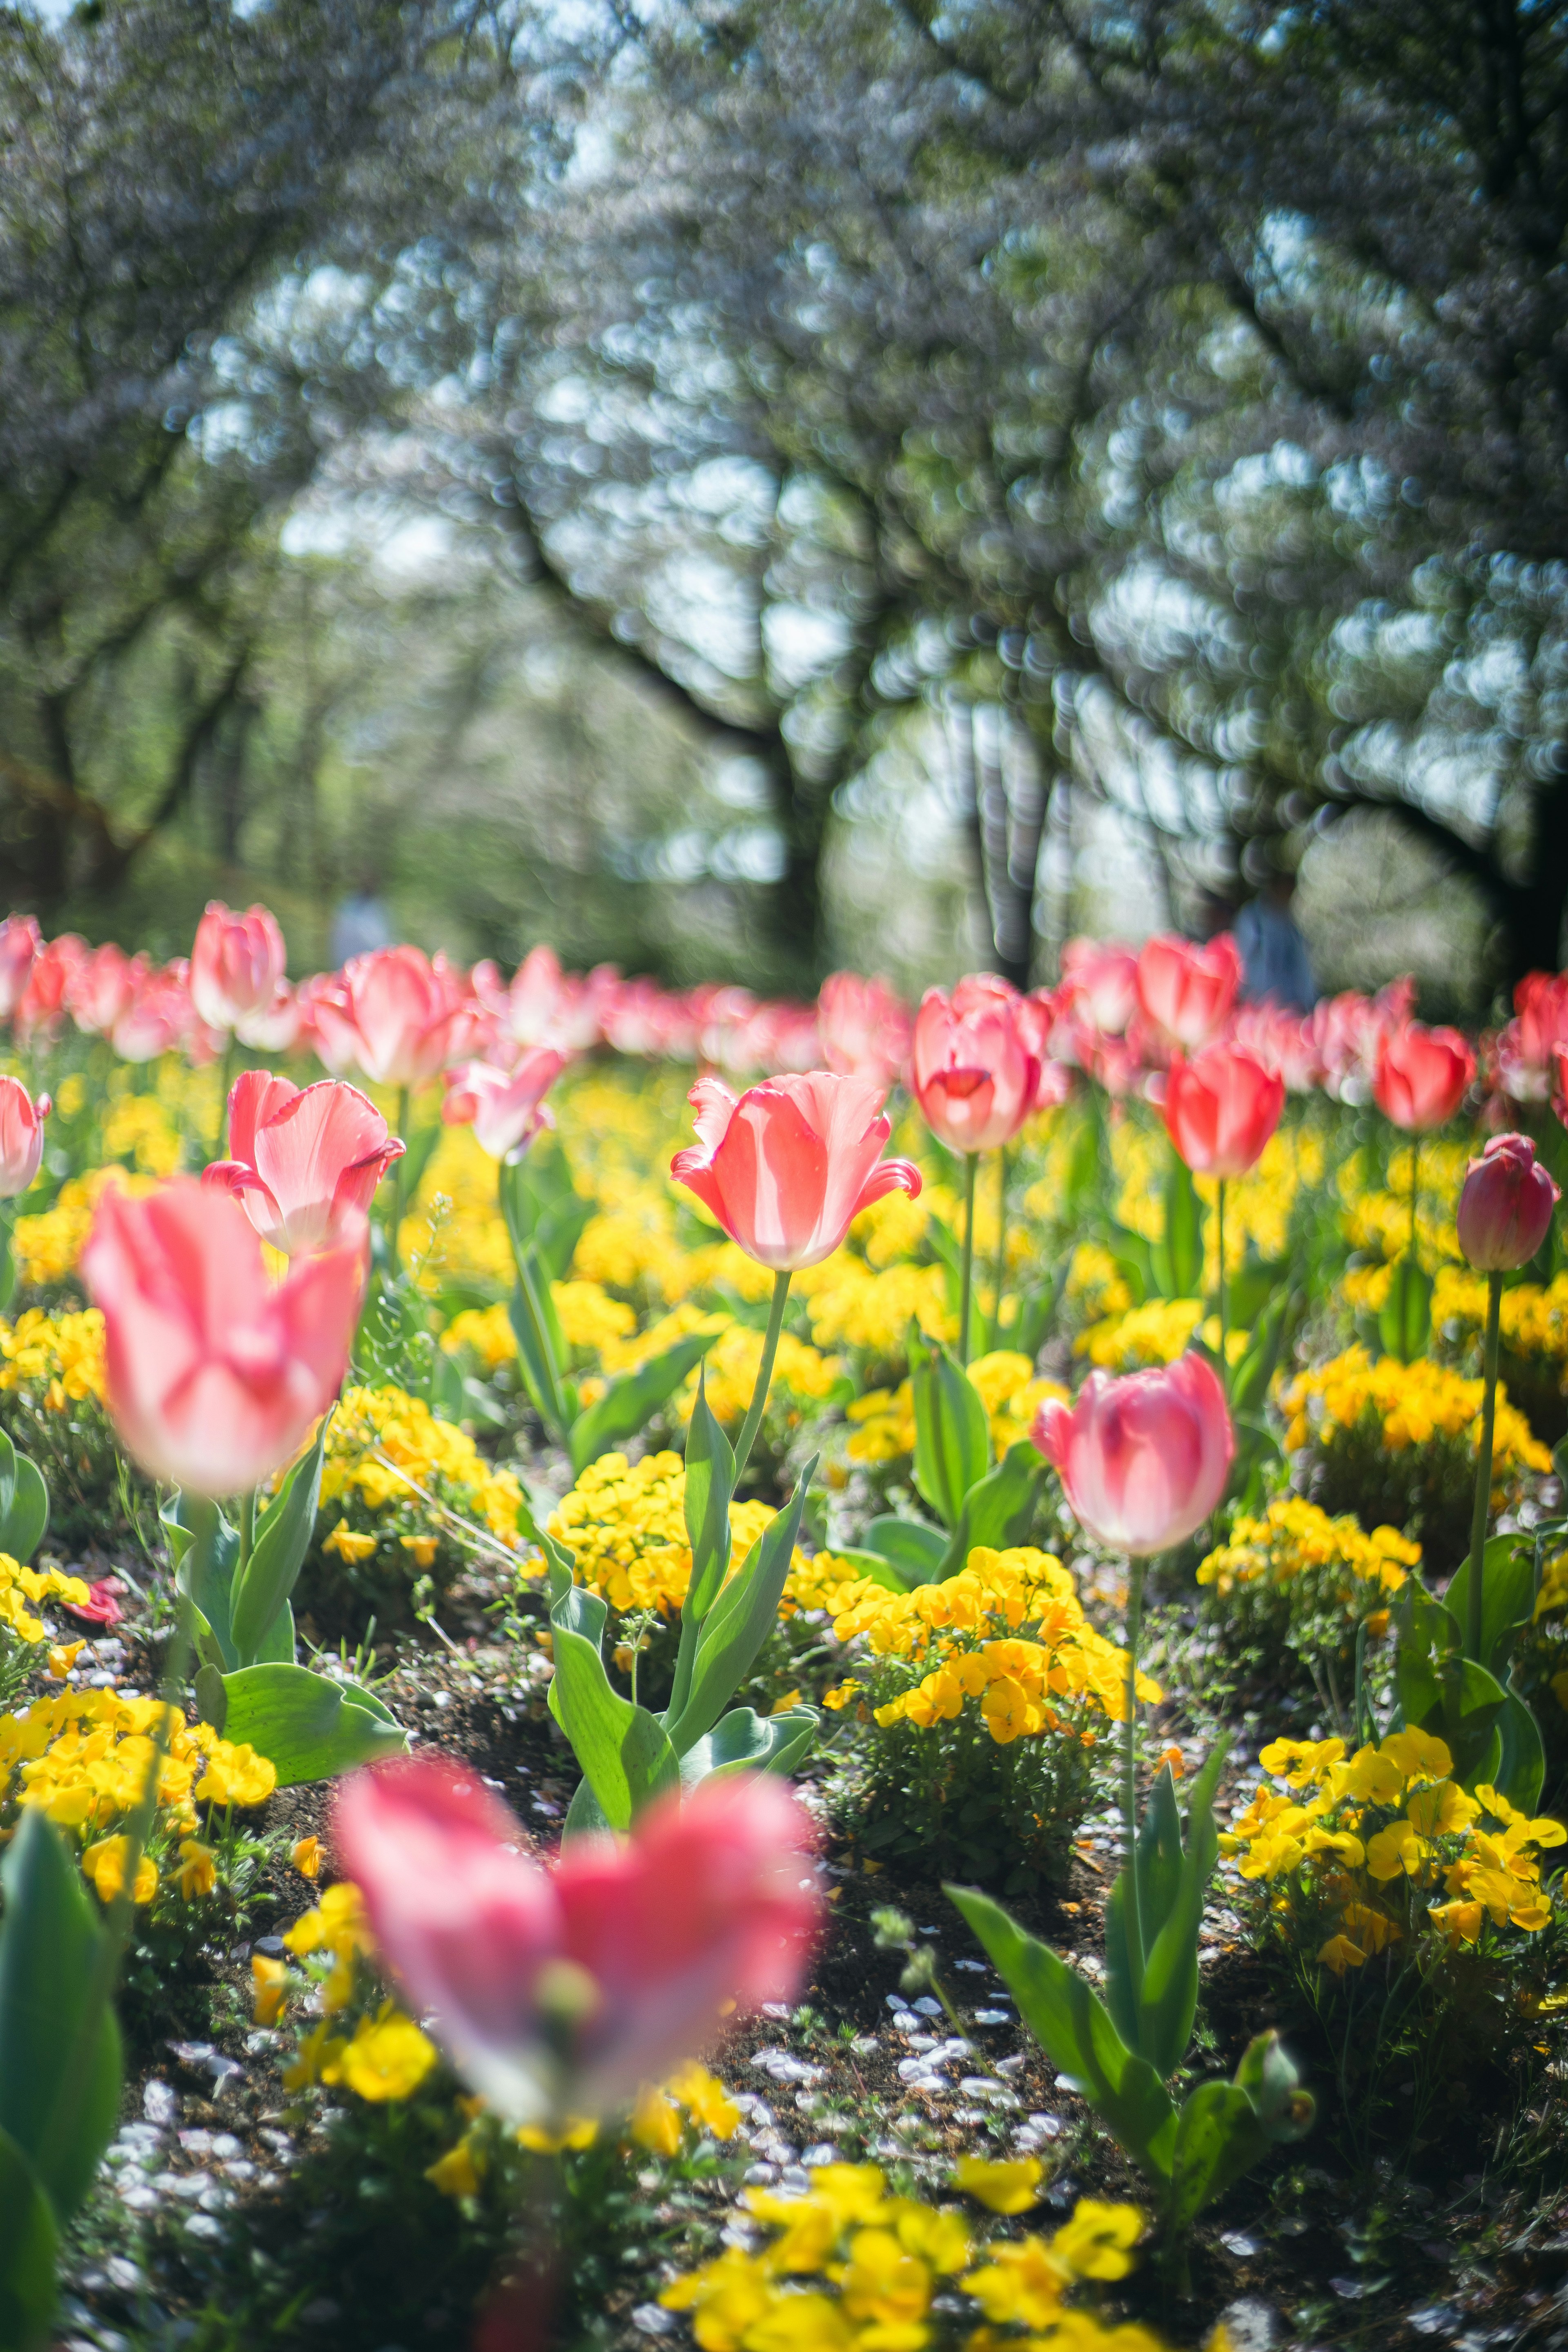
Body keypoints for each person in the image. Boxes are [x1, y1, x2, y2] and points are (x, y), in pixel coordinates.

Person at [1236, 866, 1316, 1011]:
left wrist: (1308, 1002)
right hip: (1259, 1006)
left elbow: (1303, 970)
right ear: (1275, 888)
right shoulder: (1253, 919)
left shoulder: (1291, 927)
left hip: (1291, 1009)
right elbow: (1243, 962)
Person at [329, 871, 393, 968]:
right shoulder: (350, 906)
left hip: (375, 965)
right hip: (352, 964)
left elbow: (386, 937)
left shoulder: (379, 906)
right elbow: (342, 936)